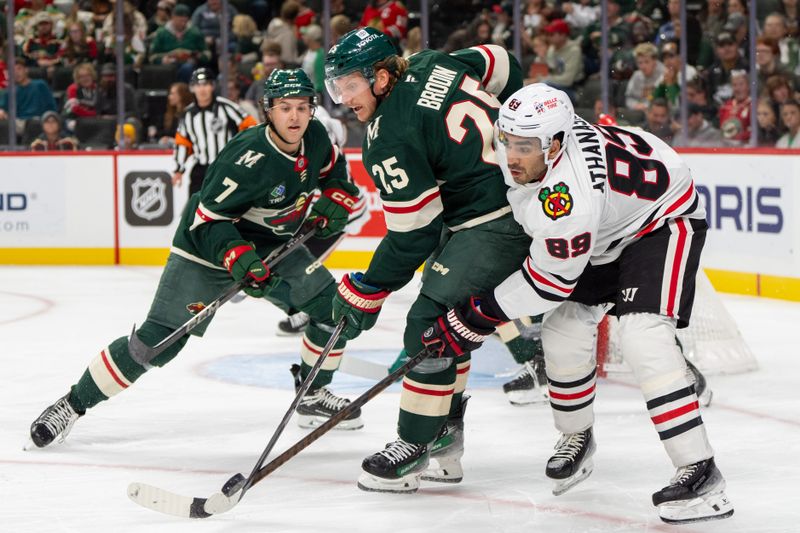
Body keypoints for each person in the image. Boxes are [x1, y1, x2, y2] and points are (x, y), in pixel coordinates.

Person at [421, 83, 734, 525]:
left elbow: (548, 282)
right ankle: (576, 437)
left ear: (555, 144)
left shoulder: (567, 198)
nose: (511, 156)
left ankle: (701, 472)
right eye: (506, 140)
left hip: (661, 222)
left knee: (644, 336)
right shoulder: (544, 146)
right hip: (609, 225)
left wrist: (475, 315)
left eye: (525, 147)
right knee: (562, 331)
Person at [28, 69, 365, 450]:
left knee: (331, 309)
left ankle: (312, 394)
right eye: (285, 107)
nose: (294, 117)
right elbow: (208, 222)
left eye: (302, 107)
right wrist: (237, 257)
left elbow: (332, 168)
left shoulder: (315, 136)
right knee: (157, 343)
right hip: (206, 250)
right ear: (268, 110)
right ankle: (71, 405)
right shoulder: (246, 157)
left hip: (274, 246)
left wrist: (337, 194)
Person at [324, 27, 542, 492]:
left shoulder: (387, 135)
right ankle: (445, 435)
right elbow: (504, 61)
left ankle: (416, 444)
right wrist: (519, 139)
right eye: (338, 87)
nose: (344, 98)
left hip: (494, 222)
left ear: (382, 78)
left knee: (428, 325)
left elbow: (413, 234)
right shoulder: (431, 61)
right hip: (520, 200)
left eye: (351, 85)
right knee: (453, 325)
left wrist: (369, 288)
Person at [172, 67, 257, 195]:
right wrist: (179, 169)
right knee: (196, 207)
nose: (202, 89)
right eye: (198, 85)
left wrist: (242, 154)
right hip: (200, 170)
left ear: (212, 86)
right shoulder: (187, 114)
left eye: (206, 84)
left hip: (225, 167)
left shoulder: (226, 107)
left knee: (227, 207)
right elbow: (182, 142)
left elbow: (250, 127)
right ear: (192, 88)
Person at [149, 3, 210, 83]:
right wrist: (162, 59)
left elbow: (207, 55)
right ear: (173, 18)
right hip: (167, 66)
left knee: (187, 68)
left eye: (185, 21)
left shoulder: (195, 33)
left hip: (189, 66)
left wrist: (197, 56)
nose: (183, 23)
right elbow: (152, 56)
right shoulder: (161, 33)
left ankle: (184, 91)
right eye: (180, 20)